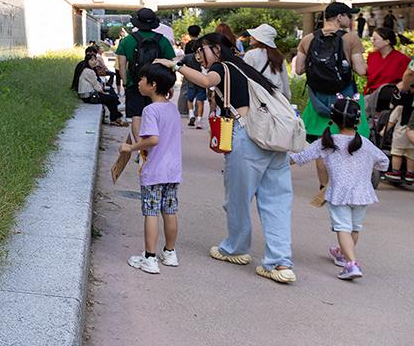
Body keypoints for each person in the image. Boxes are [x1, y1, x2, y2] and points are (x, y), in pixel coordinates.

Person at [178, 33, 296, 284]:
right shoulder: (245, 69)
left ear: (216, 49)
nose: (200, 57)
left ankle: (235, 249)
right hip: (275, 140)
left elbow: (206, 81)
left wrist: (178, 66)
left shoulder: (222, 67)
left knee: (238, 199)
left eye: (202, 51)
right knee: (277, 202)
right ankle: (280, 263)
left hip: (248, 139)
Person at [291, 98, 388, 280]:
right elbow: (384, 162)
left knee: (343, 228)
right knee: (354, 228)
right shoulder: (365, 144)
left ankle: (352, 264)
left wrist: (277, 161)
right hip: (362, 194)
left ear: (333, 119)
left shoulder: (327, 142)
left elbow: (300, 157)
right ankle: (342, 255)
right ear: (358, 121)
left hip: (339, 194)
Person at [293, 2, 369, 205]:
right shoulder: (351, 38)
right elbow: (361, 70)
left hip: (318, 102)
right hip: (344, 101)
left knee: (322, 145)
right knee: (348, 144)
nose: (351, 20)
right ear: (339, 17)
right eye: (348, 16)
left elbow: (299, 70)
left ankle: (324, 189)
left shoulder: (308, 39)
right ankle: (344, 190)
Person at [121, 63, 183, 274]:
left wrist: (131, 147)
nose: (138, 83)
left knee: (151, 213)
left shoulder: (150, 110)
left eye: (142, 79)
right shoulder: (172, 108)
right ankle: (170, 253)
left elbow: (152, 139)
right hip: (173, 171)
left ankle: (149, 257)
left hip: (154, 171)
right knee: (170, 210)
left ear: (153, 84)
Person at [115, 8, 177, 140]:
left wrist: (126, 83)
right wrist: (169, 86)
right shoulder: (163, 40)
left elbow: (121, 65)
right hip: (157, 84)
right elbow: (170, 64)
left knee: (136, 116)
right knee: (155, 115)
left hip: (135, 82)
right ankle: (152, 146)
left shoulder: (127, 41)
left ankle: (140, 149)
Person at [244, 23, 291, 101]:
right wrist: (287, 99)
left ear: (259, 39)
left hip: (259, 97)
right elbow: (284, 79)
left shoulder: (251, 54)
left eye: (254, 35)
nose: (251, 37)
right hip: (277, 97)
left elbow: (244, 77)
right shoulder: (278, 55)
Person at [77, 52, 127, 126]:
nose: (94, 62)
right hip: (89, 96)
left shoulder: (86, 70)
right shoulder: (89, 71)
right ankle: (116, 115)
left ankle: (116, 117)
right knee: (112, 98)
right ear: (87, 61)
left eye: (95, 60)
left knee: (110, 99)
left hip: (88, 95)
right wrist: (103, 92)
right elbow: (96, 86)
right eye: (91, 60)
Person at [364, 26, 409, 95]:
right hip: (370, 97)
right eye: (372, 39)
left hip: (390, 97)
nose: (372, 42)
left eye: (375, 39)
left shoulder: (402, 59)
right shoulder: (371, 56)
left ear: (387, 41)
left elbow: (408, 81)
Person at [383, 86, 414, 184]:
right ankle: (410, 173)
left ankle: (395, 171)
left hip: (400, 134)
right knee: (411, 155)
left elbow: (391, 121)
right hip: (412, 135)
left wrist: (383, 131)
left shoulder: (399, 107)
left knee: (397, 153)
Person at [177, 24, 203, 119]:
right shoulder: (201, 43)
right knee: (199, 91)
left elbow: (186, 57)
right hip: (199, 70)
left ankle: (183, 110)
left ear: (189, 33)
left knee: (185, 90)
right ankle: (197, 112)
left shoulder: (188, 44)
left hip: (188, 70)